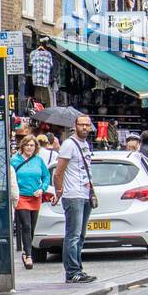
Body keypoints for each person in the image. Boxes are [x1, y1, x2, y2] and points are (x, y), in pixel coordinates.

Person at [51, 115, 97, 284]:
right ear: (75, 126)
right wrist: (59, 190)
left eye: (87, 125)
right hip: (73, 195)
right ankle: (72, 272)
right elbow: (58, 172)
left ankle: (78, 269)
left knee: (81, 235)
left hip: (85, 194)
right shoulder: (69, 145)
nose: (85, 127)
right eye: (81, 125)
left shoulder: (85, 144)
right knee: (73, 235)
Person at [10, 135, 51, 269]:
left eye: (32, 145)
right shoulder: (14, 161)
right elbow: (10, 177)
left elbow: (46, 176)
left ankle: (26, 252)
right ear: (22, 146)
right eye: (27, 145)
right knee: (26, 225)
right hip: (21, 197)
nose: (29, 148)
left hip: (35, 197)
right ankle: (28, 255)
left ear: (36, 147)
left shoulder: (38, 160)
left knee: (32, 227)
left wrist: (42, 189)